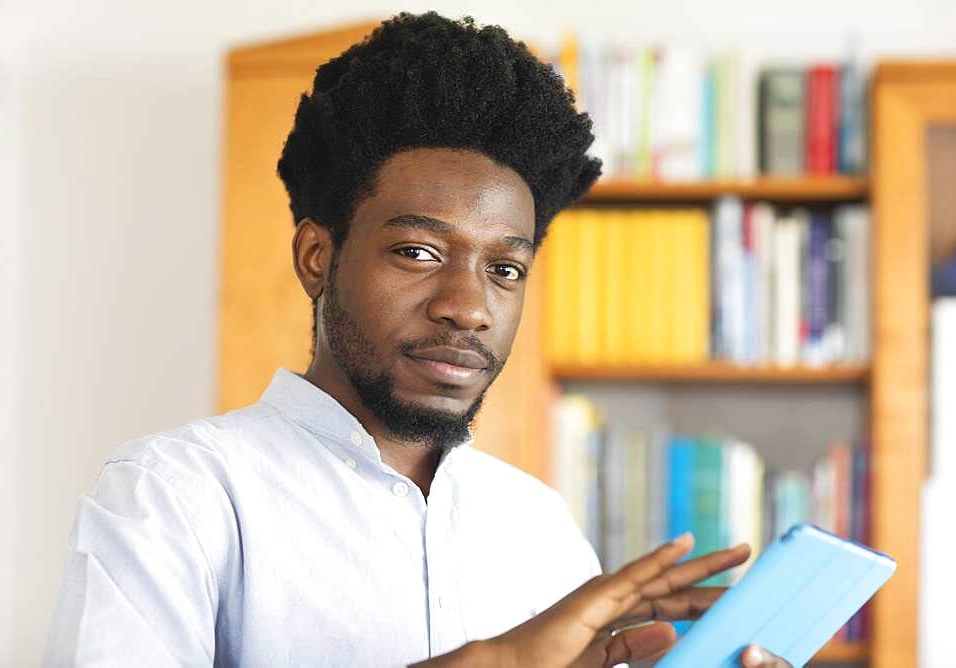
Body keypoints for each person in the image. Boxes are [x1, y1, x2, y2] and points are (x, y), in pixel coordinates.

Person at [45, 12, 789, 667]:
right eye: (418, 252)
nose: (468, 307)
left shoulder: (538, 527)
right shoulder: (177, 493)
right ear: (316, 257)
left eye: (504, 267)